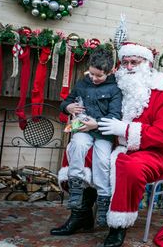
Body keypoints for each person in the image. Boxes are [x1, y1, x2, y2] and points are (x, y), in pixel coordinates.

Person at [52, 42, 163, 247]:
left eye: (134, 62)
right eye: (125, 62)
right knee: (79, 150)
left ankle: (118, 225)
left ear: (147, 63)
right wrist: (77, 115)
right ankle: (81, 215)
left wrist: (125, 130)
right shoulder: (113, 84)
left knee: (127, 167)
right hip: (113, 143)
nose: (128, 67)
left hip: (149, 151)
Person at [51, 47, 122, 236]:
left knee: (102, 160)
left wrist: (96, 124)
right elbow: (67, 101)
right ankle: (76, 189)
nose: (94, 78)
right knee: (77, 146)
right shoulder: (83, 82)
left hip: (102, 133)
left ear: (111, 71)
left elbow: (115, 115)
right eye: (91, 73)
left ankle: (103, 201)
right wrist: (68, 107)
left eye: (98, 76)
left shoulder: (115, 89)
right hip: (82, 129)